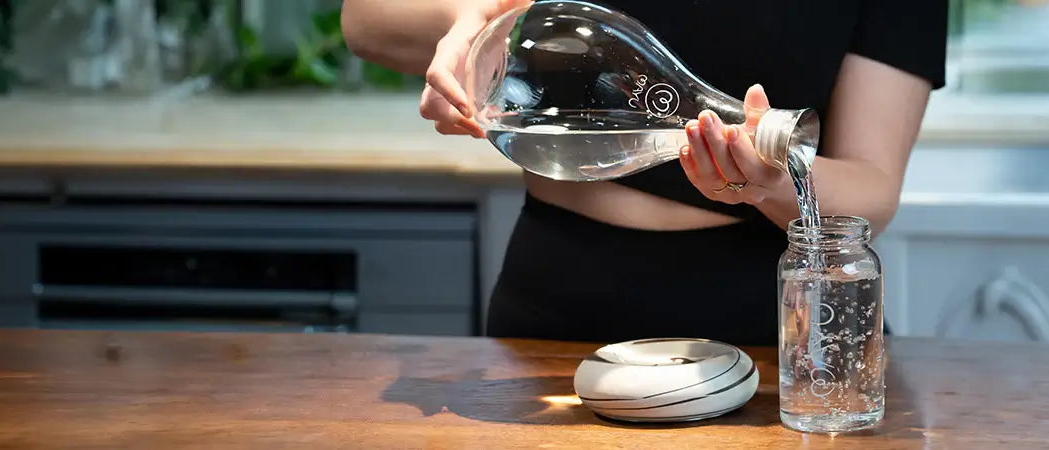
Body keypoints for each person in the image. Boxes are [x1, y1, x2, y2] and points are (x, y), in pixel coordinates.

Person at [341, 0, 946, 345]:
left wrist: (775, 182)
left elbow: (872, 188)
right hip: (558, 315)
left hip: (778, 335)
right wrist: (473, 22)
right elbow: (364, 19)